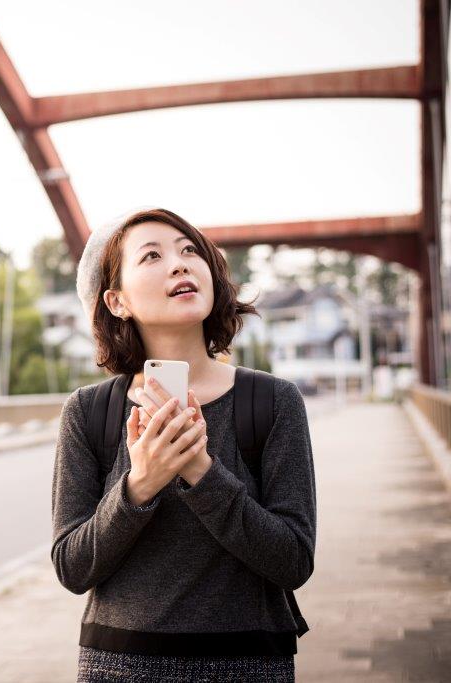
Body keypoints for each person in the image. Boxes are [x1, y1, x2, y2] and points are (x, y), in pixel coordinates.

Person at [51, 207, 317, 682]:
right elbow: (73, 567)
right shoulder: (88, 412)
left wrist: (202, 472)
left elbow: (293, 561)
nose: (180, 264)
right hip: (119, 664)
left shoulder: (273, 402)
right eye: (151, 256)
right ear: (116, 301)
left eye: (190, 250)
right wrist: (139, 487)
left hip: (248, 663)